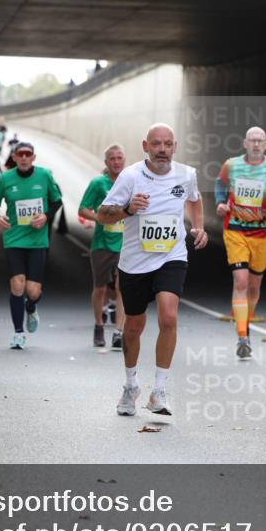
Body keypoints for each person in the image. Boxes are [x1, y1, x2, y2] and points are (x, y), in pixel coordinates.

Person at [97, 124, 208, 416]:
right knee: (134, 326)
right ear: (145, 146)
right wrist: (129, 209)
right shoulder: (131, 176)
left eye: (168, 144)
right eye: (156, 144)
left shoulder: (186, 175)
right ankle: (131, 385)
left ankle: (159, 391)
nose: (162, 150)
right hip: (135, 261)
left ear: (175, 146)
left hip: (172, 255)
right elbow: (103, 213)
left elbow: (195, 199)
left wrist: (198, 226)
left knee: (168, 316)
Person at [214, 126, 266, 358]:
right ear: (245, 143)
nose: (256, 144)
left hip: (263, 235)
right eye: (252, 140)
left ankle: (245, 325)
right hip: (235, 231)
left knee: (254, 286)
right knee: (240, 281)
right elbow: (220, 183)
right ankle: (242, 336)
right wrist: (220, 203)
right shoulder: (232, 165)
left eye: (260, 141)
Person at [0, 141, 63, 349]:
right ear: (14, 157)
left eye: (28, 154)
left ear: (33, 157)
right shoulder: (5, 179)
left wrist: (46, 217)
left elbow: (57, 201)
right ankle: (18, 333)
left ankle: (31, 307)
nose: (24, 158)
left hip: (38, 241)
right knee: (17, 284)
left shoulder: (45, 176)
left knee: (33, 291)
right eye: (20, 154)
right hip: (14, 239)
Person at [78, 144, 128, 349]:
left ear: (124, 160)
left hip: (126, 244)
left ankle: (118, 331)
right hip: (102, 244)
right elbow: (83, 209)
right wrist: (99, 218)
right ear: (106, 162)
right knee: (100, 288)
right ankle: (99, 326)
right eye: (112, 159)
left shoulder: (131, 181)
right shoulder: (98, 183)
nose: (116, 162)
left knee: (121, 288)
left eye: (119, 158)